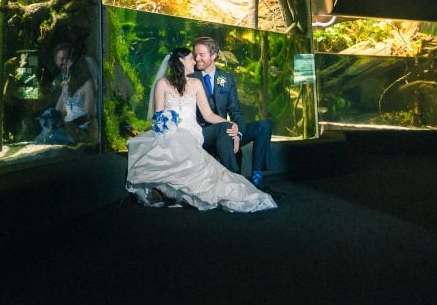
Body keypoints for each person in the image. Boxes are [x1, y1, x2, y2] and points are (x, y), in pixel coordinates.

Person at [126, 48, 276, 212]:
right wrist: (166, 126)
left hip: (193, 132)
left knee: (200, 135)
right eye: (191, 58)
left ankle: (232, 178)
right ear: (181, 60)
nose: (194, 61)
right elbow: (158, 115)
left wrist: (231, 125)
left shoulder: (196, 84)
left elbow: (209, 115)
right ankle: (165, 190)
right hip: (169, 131)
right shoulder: (162, 84)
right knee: (170, 143)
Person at [190, 37, 282, 196]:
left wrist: (238, 132)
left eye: (201, 54)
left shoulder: (226, 78)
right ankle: (237, 183)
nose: (197, 58)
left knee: (264, 126)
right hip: (205, 133)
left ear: (214, 55)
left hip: (228, 130)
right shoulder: (191, 77)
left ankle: (257, 178)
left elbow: (236, 111)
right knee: (225, 132)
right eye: (195, 54)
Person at [53, 43, 96, 143]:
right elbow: (58, 110)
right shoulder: (59, 83)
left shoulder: (86, 84)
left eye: (68, 59)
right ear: (55, 61)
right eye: (62, 59)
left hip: (81, 132)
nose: (66, 62)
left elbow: (88, 114)